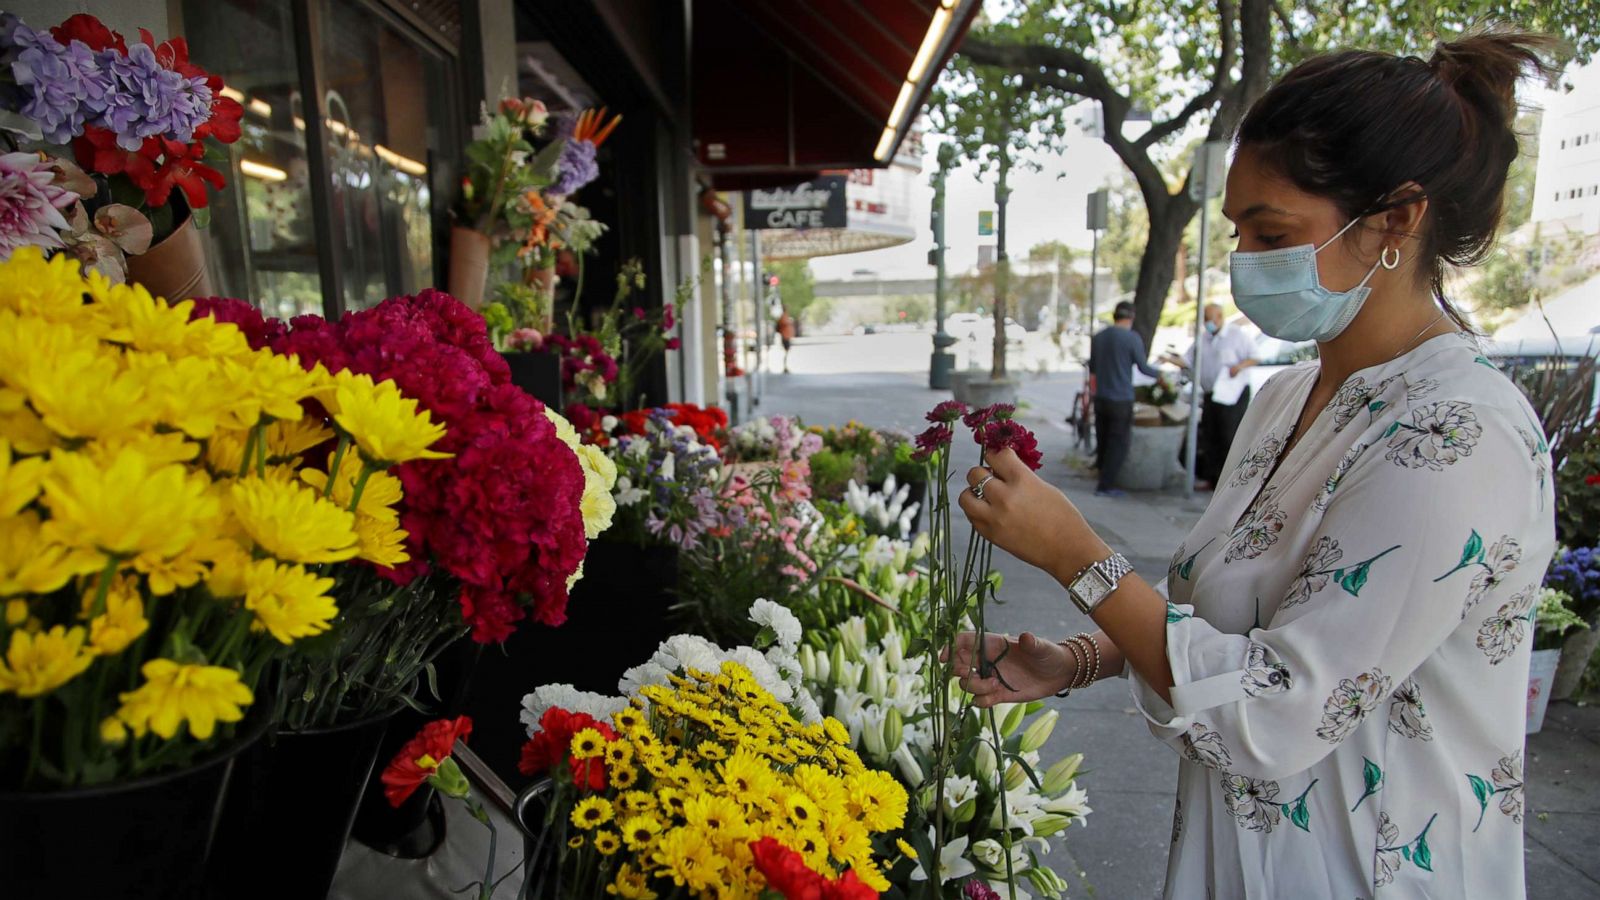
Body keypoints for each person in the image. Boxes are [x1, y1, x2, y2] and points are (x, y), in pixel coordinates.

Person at [951, 32, 1556, 900]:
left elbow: (1278, 711)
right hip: (1242, 856)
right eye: (1237, 229)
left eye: (1272, 232)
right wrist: (1084, 655)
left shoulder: (1459, 435)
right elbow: (1232, 618)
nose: (1244, 260)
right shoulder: (1286, 398)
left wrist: (1077, 558)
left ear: (1397, 218)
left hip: (1368, 871)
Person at [1163, 303, 1258, 488]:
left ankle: (1228, 480)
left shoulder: (1236, 335)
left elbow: (1254, 356)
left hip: (1232, 394)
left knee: (1228, 435)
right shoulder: (1203, 338)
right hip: (1210, 393)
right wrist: (1170, 359)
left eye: (1210, 318)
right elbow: (1187, 360)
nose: (1208, 323)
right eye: (1205, 319)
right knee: (1210, 435)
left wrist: (1238, 367)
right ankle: (1212, 477)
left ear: (1219, 317)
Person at [1089, 300, 1164, 497]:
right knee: (1118, 442)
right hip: (1121, 399)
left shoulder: (1098, 338)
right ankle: (1106, 485)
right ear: (1131, 317)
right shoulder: (1132, 338)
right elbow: (1143, 367)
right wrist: (1161, 376)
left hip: (1101, 397)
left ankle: (1100, 476)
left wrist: (1092, 395)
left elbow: (1093, 371)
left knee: (1103, 439)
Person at [776, 308, 796, 373]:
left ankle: (786, 366)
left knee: (787, 352)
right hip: (785, 337)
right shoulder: (784, 317)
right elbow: (782, 325)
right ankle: (785, 366)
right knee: (786, 352)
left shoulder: (786, 317)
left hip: (787, 337)